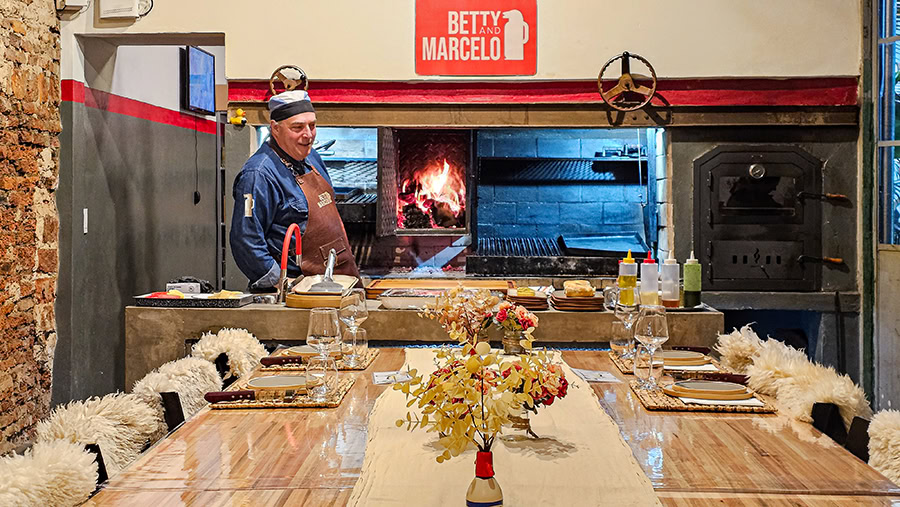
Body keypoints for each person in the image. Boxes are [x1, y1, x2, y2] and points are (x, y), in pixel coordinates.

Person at [230, 90, 360, 291]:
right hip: (298, 292)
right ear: (275, 128)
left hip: (335, 282)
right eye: (297, 127)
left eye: (312, 126)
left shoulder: (312, 157)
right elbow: (246, 241)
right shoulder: (258, 174)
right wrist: (286, 285)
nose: (308, 135)